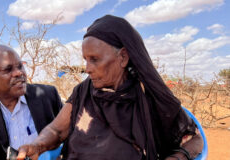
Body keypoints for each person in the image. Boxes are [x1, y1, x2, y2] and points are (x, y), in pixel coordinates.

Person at [17, 15, 204, 160]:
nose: (87, 69)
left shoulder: (149, 97)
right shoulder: (84, 91)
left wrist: (176, 157)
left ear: (123, 57)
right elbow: (57, 130)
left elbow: (195, 140)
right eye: (85, 60)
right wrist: (38, 145)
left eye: (95, 60)